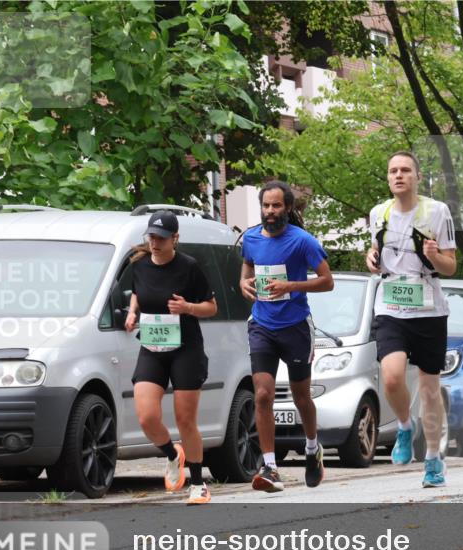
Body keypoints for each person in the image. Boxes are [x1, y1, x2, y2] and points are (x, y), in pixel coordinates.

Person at [365, 151, 457, 487]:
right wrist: (371, 258)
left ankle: (433, 459)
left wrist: (435, 256)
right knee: (391, 377)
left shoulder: (436, 212)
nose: (399, 175)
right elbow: (375, 253)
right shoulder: (379, 213)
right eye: (393, 171)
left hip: (429, 309)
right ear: (388, 178)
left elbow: (450, 265)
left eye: (405, 170)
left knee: (430, 391)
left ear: (417, 176)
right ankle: (405, 426)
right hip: (390, 306)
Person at [240, 181, 334, 493]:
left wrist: (290, 287)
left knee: (301, 397)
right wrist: (244, 286)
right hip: (263, 325)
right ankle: (270, 467)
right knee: (263, 394)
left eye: (276, 206)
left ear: (288, 208)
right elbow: (246, 272)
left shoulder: (303, 241)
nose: (270, 212)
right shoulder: (251, 238)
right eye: (266, 206)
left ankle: (311, 447)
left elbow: (327, 281)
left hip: (295, 326)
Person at [125, 210, 218, 505]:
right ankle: (171, 453)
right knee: (146, 416)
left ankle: (198, 484)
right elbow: (138, 292)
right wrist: (131, 312)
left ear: (175, 239)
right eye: (151, 237)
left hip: (185, 348)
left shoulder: (189, 267)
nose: (154, 243)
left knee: (185, 419)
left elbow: (211, 307)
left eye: (161, 238)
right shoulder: (139, 265)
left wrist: (188, 308)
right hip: (152, 346)